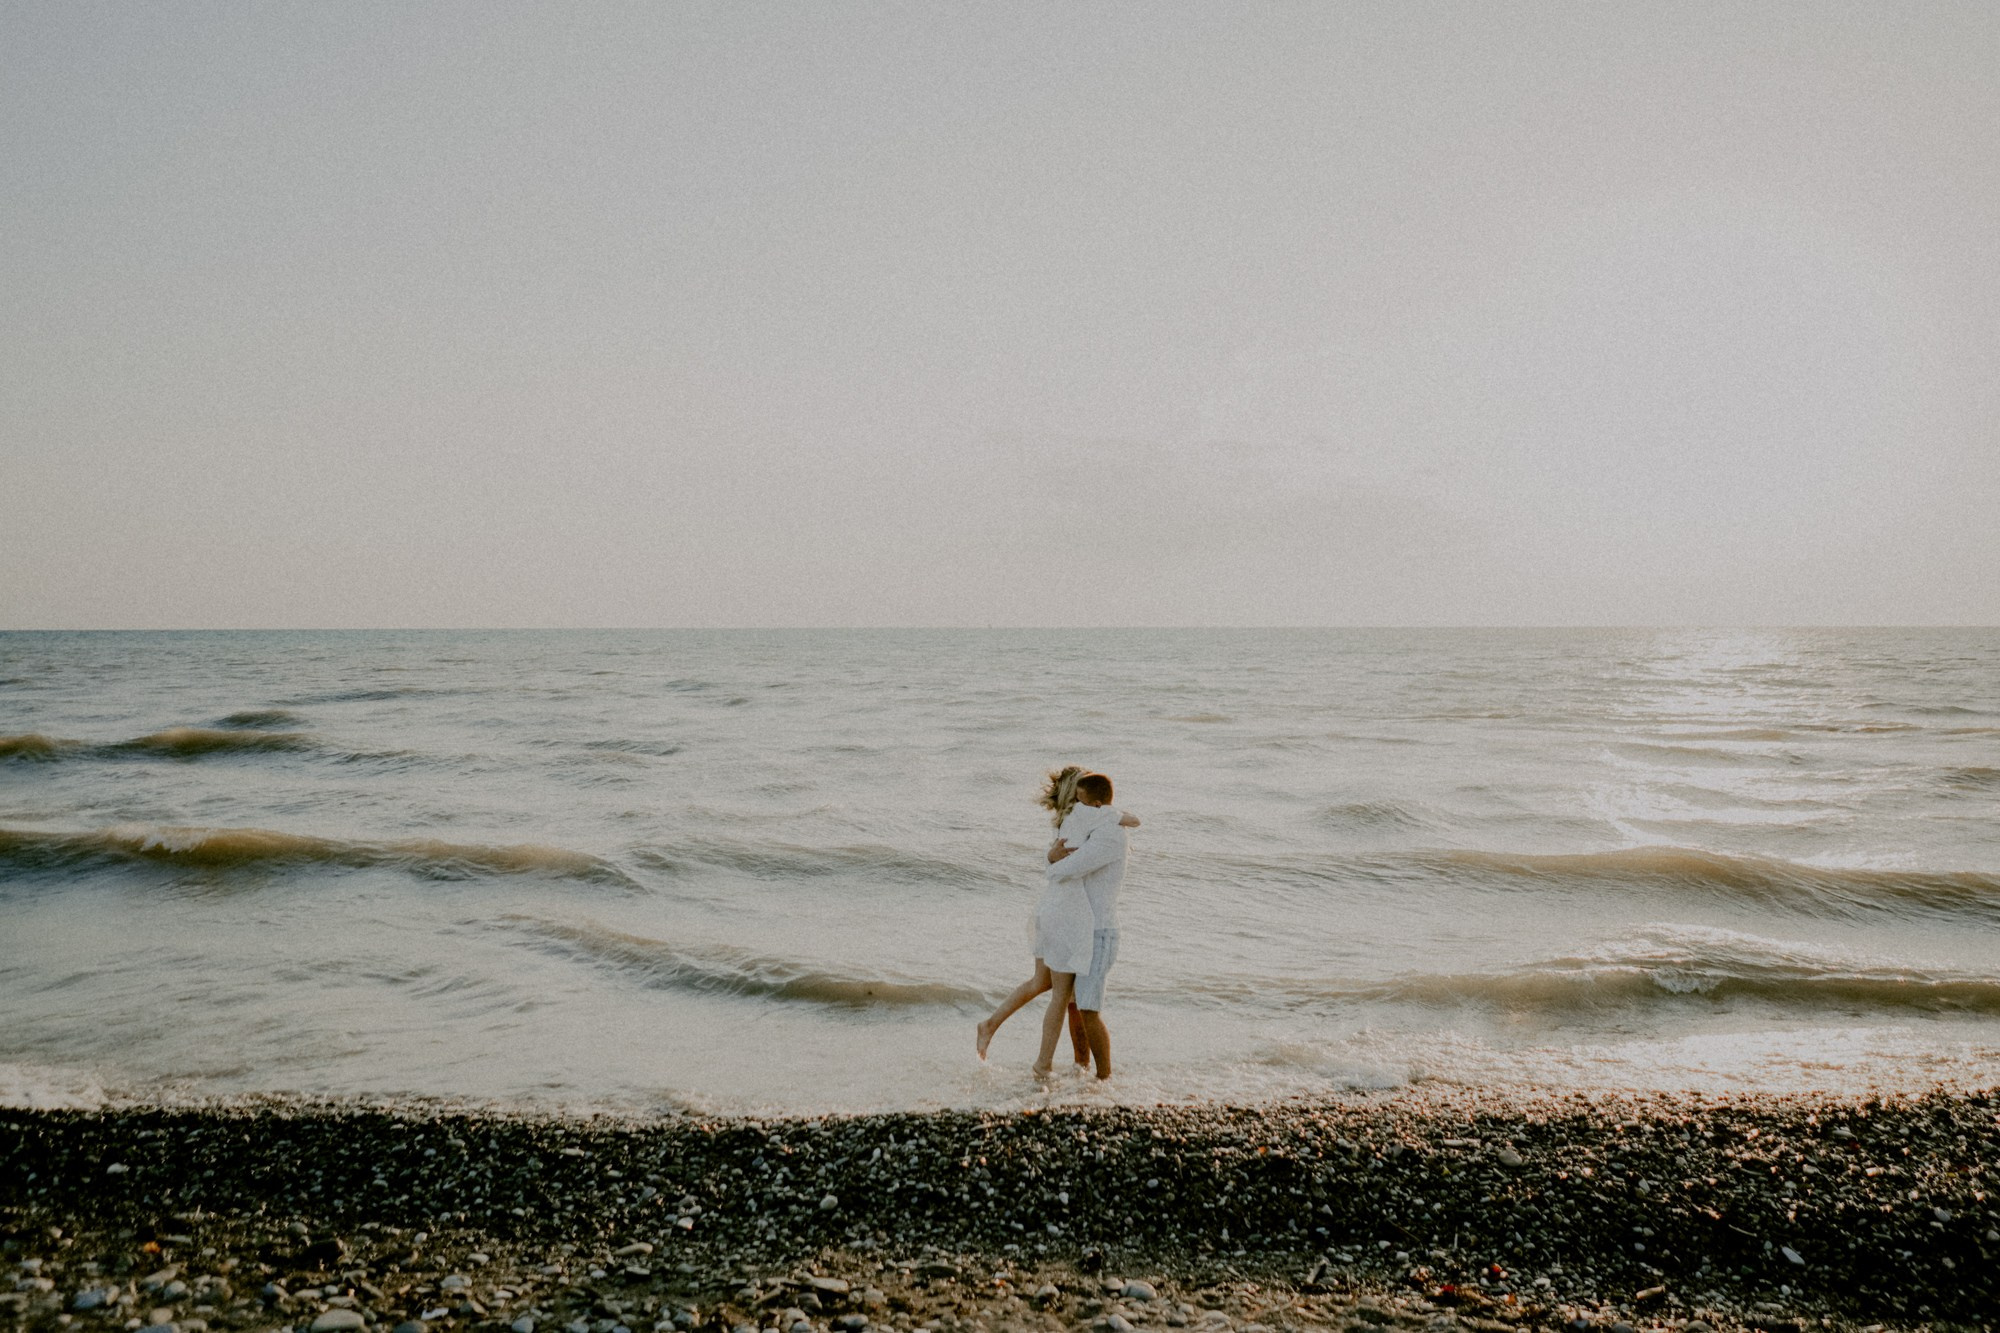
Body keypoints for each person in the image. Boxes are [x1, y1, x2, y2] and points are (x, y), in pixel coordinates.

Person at [976, 766, 1138, 1073]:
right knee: (1064, 996)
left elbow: (1112, 818)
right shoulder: (1085, 823)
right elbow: (1079, 857)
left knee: (1051, 987)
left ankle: (1068, 1061)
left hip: (1056, 912)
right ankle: (1047, 1064)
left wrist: (1049, 861)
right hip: (1067, 917)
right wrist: (1051, 864)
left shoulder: (1074, 823)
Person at [1041, 770, 1128, 1079]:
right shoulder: (1095, 827)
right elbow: (1060, 858)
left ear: (1098, 805)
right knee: (1076, 1007)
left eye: (1080, 802)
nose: (1075, 808)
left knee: (1089, 1009)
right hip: (1081, 930)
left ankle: (1105, 1079)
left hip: (1100, 933)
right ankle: (1082, 1068)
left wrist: (1053, 865)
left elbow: (1070, 868)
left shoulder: (1110, 837)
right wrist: (1051, 858)